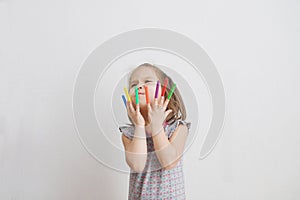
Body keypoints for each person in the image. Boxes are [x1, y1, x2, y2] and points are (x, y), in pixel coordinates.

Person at [119, 63, 191, 199]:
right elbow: (137, 164)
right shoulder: (129, 134)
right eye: (134, 84)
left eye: (147, 81)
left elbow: (169, 162)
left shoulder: (177, 128)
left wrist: (156, 127)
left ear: (164, 91)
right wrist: (139, 126)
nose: (139, 86)